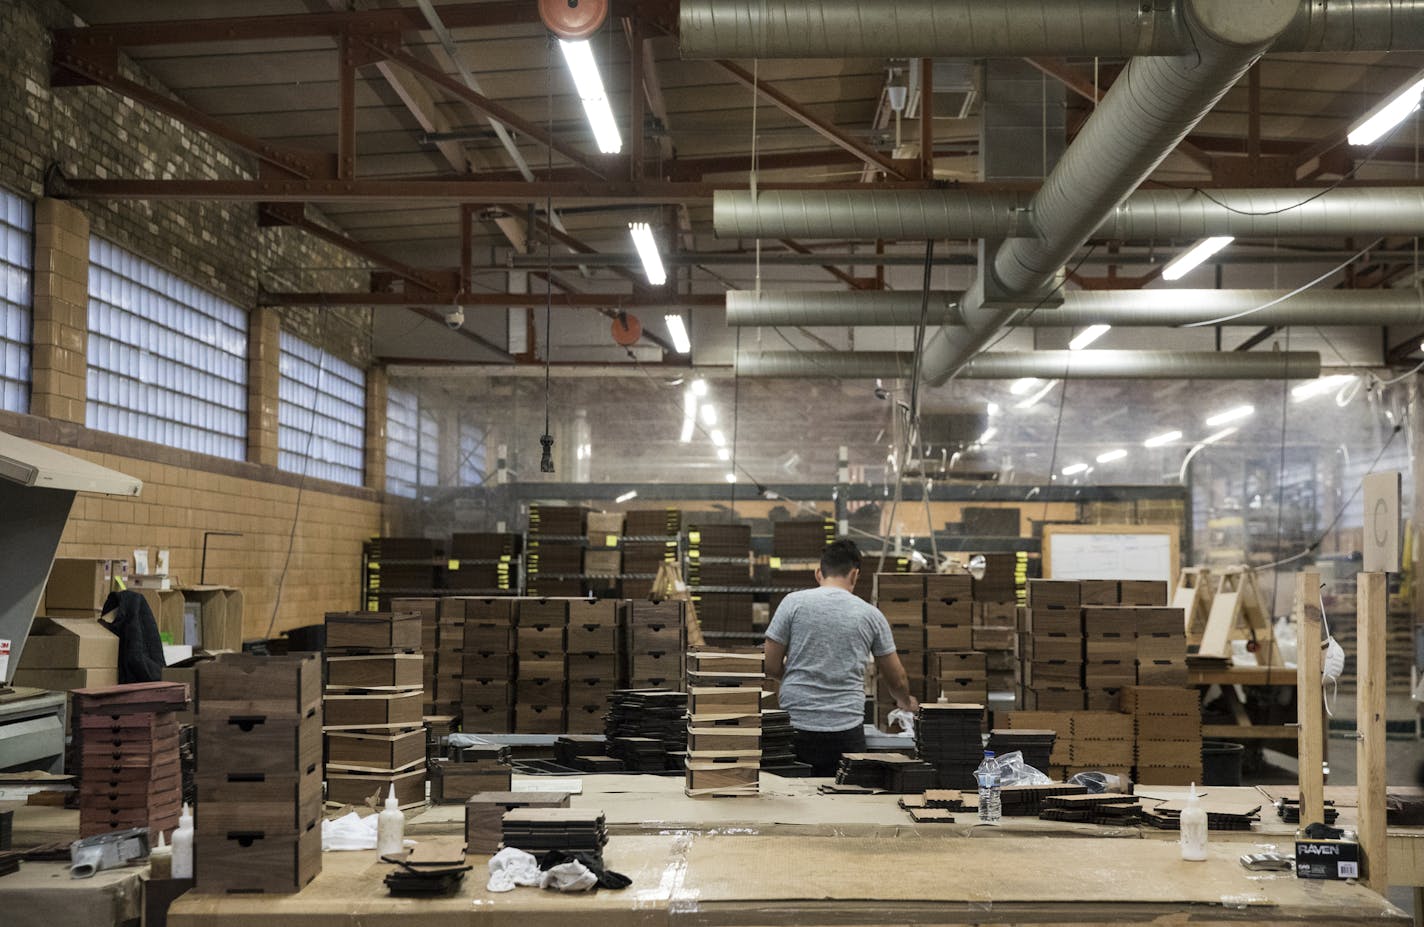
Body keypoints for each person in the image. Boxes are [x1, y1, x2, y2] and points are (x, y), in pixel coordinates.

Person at [763, 539, 919, 776]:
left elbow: (771, 665)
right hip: (845, 731)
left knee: (792, 803)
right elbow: (896, 680)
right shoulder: (871, 615)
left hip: (796, 727)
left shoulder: (791, 604)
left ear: (818, 573)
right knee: (846, 803)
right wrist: (906, 702)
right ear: (855, 575)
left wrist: (796, 678)